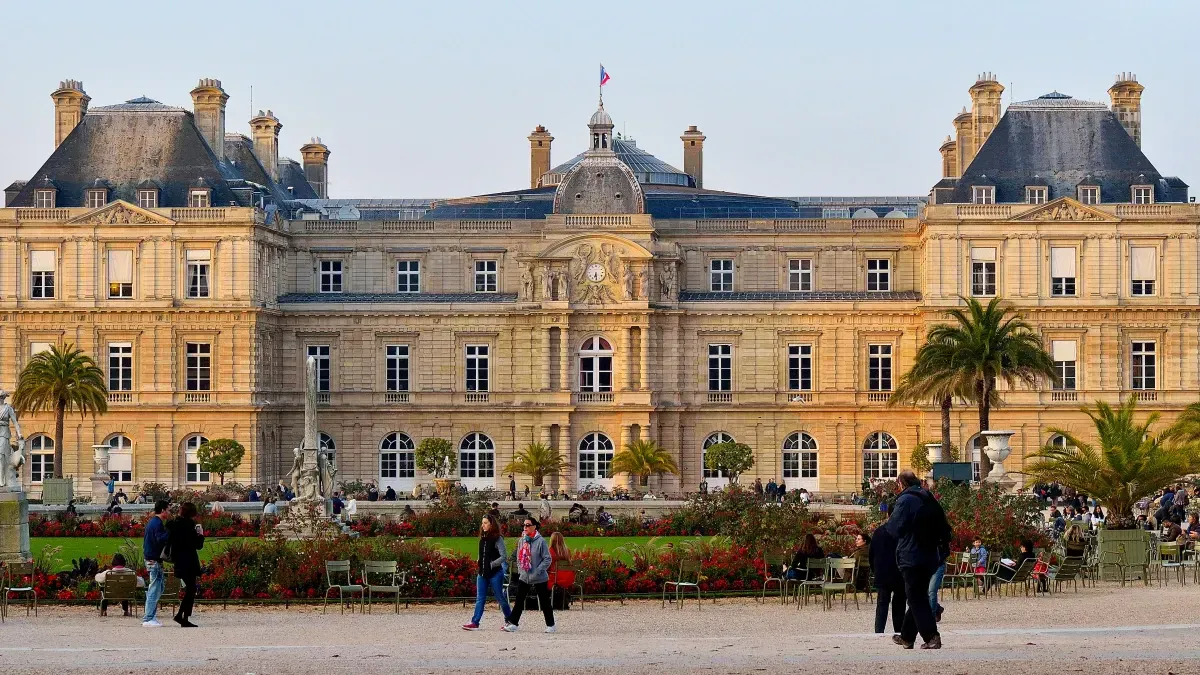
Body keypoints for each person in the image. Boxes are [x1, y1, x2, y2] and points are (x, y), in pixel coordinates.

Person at [886, 470, 949, 650]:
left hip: (912, 555)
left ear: (901, 484)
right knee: (918, 596)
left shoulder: (905, 500)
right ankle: (907, 637)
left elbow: (894, 528)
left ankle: (931, 636)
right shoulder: (928, 496)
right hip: (931, 555)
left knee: (915, 598)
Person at [503, 517, 555, 633]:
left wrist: (538, 571)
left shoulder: (540, 541)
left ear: (534, 526)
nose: (525, 527)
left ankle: (551, 624)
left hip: (539, 577)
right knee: (519, 600)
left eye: (528, 525)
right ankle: (514, 623)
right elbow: (519, 557)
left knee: (544, 601)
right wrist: (522, 570)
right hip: (525, 576)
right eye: (524, 525)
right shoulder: (522, 540)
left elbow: (547, 559)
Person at [463, 513, 512, 630]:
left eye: (485, 523)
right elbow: (482, 552)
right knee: (480, 598)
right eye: (482, 523)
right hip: (482, 572)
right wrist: (479, 560)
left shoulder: (497, 538)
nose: (483, 525)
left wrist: (492, 564)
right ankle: (475, 622)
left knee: (500, 597)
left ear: (491, 524)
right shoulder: (483, 538)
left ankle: (510, 619)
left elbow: (503, 556)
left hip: (495, 573)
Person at [167, 502, 206, 628]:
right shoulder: (189, 525)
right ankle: (183, 616)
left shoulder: (174, 524)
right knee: (191, 589)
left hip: (178, 559)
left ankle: (182, 615)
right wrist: (200, 535)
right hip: (189, 560)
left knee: (190, 588)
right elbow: (197, 545)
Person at [870, 506, 905, 636]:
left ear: (888, 515)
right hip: (899, 573)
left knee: (882, 604)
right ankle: (899, 630)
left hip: (882, 573)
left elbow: (871, 554)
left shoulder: (879, 532)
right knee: (899, 604)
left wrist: (876, 570)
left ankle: (879, 631)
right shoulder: (903, 532)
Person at [141, 500, 171, 627]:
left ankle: (150, 615)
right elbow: (160, 539)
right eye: (168, 510)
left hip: (152, 559)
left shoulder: (154, 522)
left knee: (158, 587)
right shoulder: (157, 523)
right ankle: (148, 617)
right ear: (163, 510)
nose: (169, 512)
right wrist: (170, 532)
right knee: (155, 588)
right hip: (153, 560)